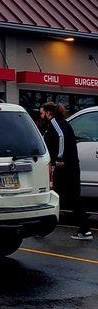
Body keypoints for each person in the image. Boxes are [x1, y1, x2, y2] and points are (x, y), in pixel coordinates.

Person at [40, 102, 93, 240]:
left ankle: (42, 228)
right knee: (70, 197)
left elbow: (61, 137)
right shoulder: (60, 123)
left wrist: (58, 159)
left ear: (48, 113)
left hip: (65, 167)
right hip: (70, 166)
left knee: (52, 196)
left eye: (42, 113)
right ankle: (84, 230)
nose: (41, 116)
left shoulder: (56, 123)